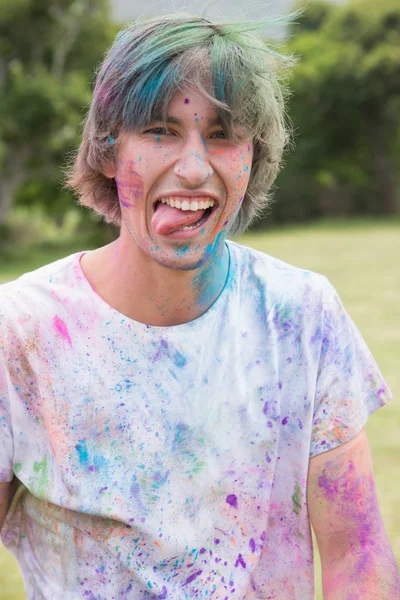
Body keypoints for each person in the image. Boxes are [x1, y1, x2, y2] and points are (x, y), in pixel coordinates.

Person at [0, 13, 399, 600]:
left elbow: (356, 560)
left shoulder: (300, 316)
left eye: (222, 134)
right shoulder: (21, 333)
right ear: (109, 152)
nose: (193, 166)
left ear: (252, 157)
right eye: (160, 130)